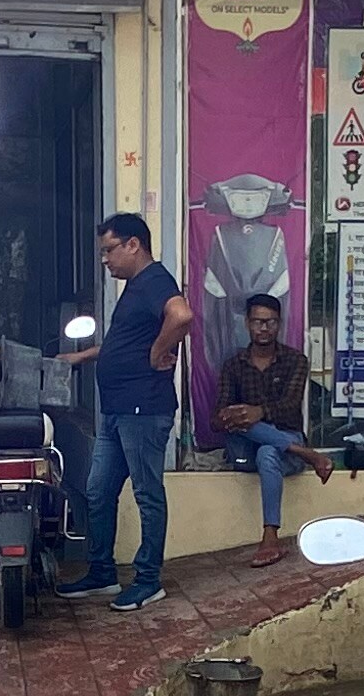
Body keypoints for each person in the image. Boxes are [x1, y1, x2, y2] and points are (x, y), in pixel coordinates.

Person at [65, 213, 193, 613]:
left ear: (133, 244)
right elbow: (126, 342)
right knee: (98, 491)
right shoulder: (136, 287)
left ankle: (148, 580)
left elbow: (182, 316)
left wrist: (158, 352)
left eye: (109, 250)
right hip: (116, 410)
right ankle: (102, 572)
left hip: (143, 410)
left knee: (146, 494)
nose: (105, 260)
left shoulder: (154, 280)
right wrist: (83, 355)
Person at [212, 291, 331, 565]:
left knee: (268, 451)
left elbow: (290, 405)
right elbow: (216, 419)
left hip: (285, 448)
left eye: (271, 322)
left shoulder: (295, 360)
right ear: (247, 323)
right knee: (243, 421)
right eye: (258, 322)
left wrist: (259, 412)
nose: (264, 328)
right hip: (245, 450)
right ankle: (309, 455)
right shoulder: (233, 365)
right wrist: (232, 416)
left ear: (279, 324)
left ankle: (270, 538)